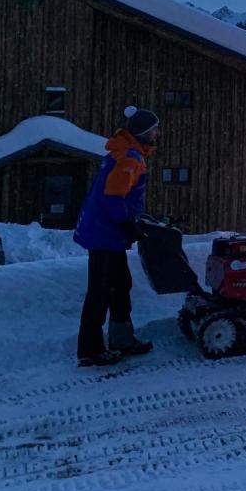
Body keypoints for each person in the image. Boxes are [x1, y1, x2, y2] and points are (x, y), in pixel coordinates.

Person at [74, 106, 160, 367]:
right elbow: (113, 197)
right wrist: (126, 224)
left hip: (109, 232)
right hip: (104, 234)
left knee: (120, 285)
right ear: (145, 133)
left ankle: (122, 338)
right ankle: (91, 350)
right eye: (155, 130)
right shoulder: (129, 158)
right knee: (100, 292)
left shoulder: (128, 154)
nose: (159, 134)